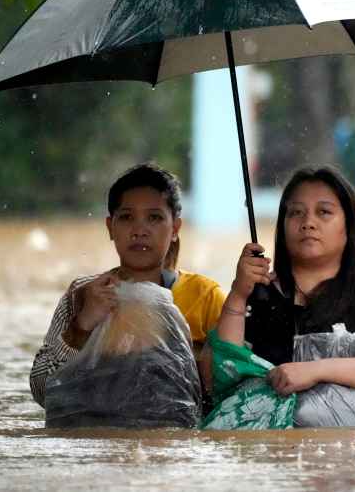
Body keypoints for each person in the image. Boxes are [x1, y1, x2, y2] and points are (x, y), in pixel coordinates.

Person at [216, 165, 355, 398]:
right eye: (296, 212)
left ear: (349, 226)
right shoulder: (256, 295)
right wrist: (237, 294)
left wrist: (316, 371)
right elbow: (218, 378)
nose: (308, 222)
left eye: (324, 212)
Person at [30, 162, 227, 408]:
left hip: (173, 441)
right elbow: (42, 392)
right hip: (99, 439)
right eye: (126, 217)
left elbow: (232, 389)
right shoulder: (83, 294)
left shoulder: (205, 296)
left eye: (154, 218)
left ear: (175, 228)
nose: (139, 230)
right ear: (110, 227)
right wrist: (81, 327)